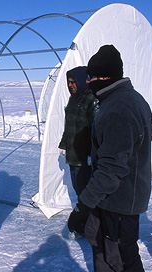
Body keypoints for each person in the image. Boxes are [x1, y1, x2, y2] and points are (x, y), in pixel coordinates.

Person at [78, 45, 152, 272]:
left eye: (91, 78)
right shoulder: (125, 99)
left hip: (121, 199)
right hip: (116, 196)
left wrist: (84, 205)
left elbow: (112, 168)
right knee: (104, 243)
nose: (88, 83)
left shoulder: (118, 109)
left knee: (123, 256)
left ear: (104, 78)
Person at [58, 66, 99, 237]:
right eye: (69, 82)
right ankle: (86, 223)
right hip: (74, 155)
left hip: (86, 156)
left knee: (87, 192)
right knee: (78, 188)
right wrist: (64, 144)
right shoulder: (73, 99)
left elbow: (97, 128)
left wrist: (93, 153)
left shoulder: (92, 99)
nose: (70, 85)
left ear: (82, 81)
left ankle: (90, 224)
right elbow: (70, 125)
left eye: (73, 81)